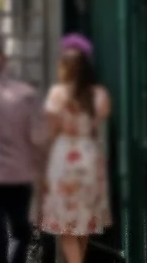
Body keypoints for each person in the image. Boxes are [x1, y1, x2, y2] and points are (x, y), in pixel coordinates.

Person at [0, 31, 46, 263]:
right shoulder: (25, 94)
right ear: (5, 60)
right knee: (20, 232)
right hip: (19, 175)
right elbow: (38, 137)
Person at [40, 48, 112, 263]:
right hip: (89, 155)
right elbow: (99, 122)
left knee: (67, 228)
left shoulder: (57, 94)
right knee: (83, 224)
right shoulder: (99, 95)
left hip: (65, 156)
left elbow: (51, 131)